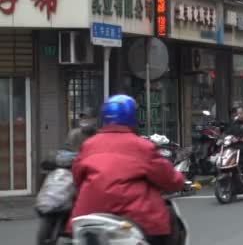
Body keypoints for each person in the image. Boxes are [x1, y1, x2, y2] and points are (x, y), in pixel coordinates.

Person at [68, 95, 186, 245]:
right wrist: (180, 181)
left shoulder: (89, 145)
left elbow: (77, 178)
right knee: (169, 221)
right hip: (135, 219)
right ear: (132, 118)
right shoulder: (142, 146)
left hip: (90, 217)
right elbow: (169, 179)